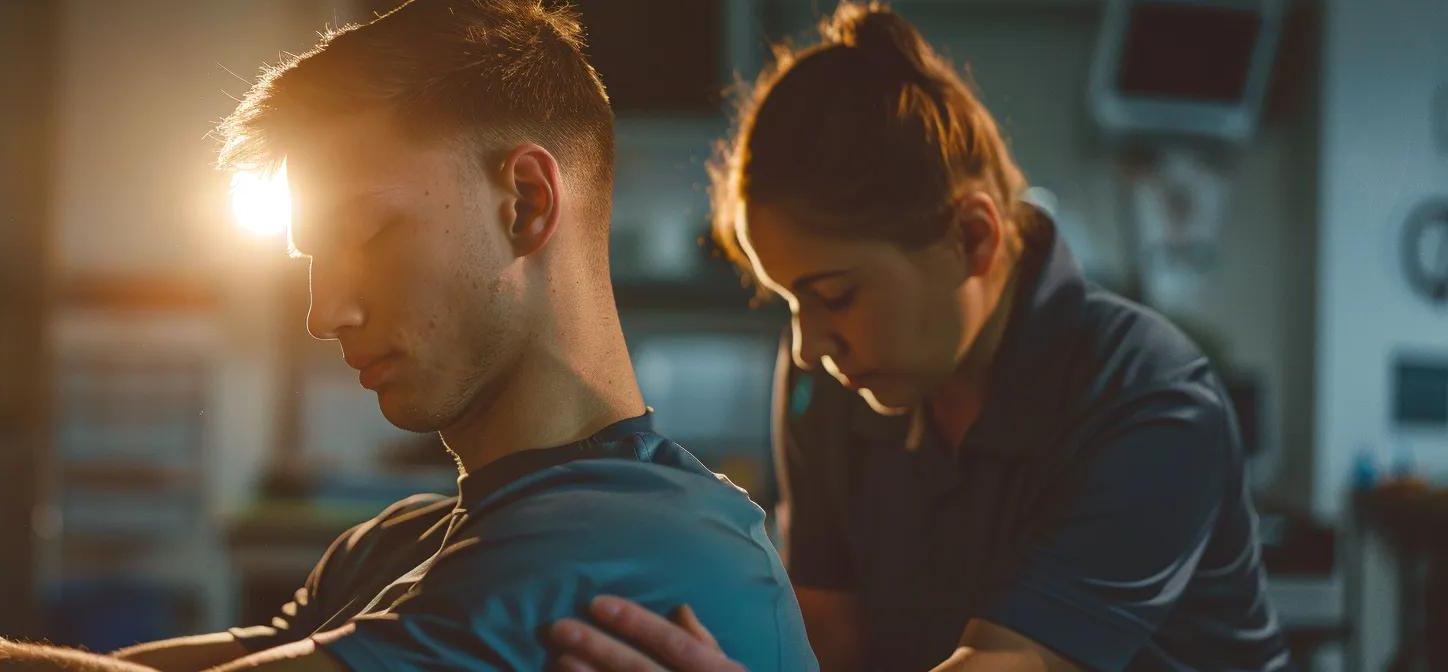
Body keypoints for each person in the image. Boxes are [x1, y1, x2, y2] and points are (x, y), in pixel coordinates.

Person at [0, 2, 816, 671]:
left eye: (365, 236)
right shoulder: (402, 550)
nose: (324, 312)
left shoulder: (632, 548)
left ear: (525, 203)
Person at [546, 4, 1292, 671]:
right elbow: (828, 635)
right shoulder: (830, 383)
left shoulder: (1150, 397)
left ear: (972, 237)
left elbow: (1005, 664)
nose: (807, 347)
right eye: (789, 304)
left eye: (835, 295)